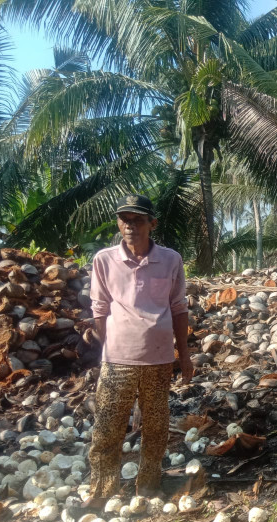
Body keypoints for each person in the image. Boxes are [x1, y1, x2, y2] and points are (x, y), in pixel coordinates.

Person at [88, 194, 193, 499]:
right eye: (124, 219)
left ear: (152, 223)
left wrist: (184, 356)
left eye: (137, 220)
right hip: (117, 360)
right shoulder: (104, 260)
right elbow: (99, 309)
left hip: (159, 359)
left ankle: (148, 484)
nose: (130, 226)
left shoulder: (170, 260)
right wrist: (110, 346)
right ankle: (102, 490)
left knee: (156, 426)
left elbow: (179, 308)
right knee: (107, 426)